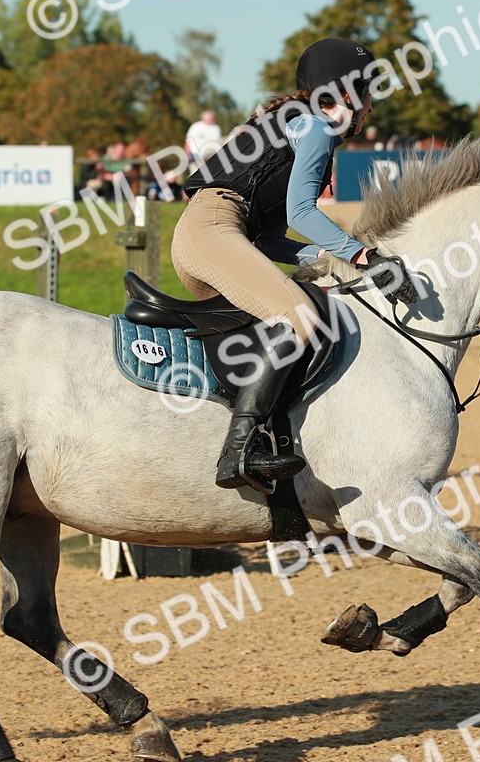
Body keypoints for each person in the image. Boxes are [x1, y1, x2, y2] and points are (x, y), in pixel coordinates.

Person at [174, 37, 417, 489]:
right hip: (214, 228)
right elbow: (301, 214)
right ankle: (240, 451)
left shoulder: (293, 120)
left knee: (274, 326)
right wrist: (365, 255)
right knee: (299, 317)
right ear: (343, 92)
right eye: (366, 93)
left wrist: (328, 260)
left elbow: (268, 239)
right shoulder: (317, 127)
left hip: (210, 233)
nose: (370, 107)